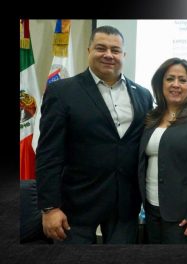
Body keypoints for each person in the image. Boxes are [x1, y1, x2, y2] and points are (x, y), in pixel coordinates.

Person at [35, 25, 154, 244]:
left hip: (125, 205)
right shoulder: (62, 92)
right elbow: (48, 153)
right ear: (89, 50)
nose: (108, 55)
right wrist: (49, 207)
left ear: (123, 55)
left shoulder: (143, 95)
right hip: (77, 204)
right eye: (101, 48)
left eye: (115, 50)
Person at [138, 58, 187, 244]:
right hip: (151, 210)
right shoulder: (152, 117)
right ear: (161, 83)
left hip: (184, 217)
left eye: (182, 80)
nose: (176, 84)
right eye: (170, 79)